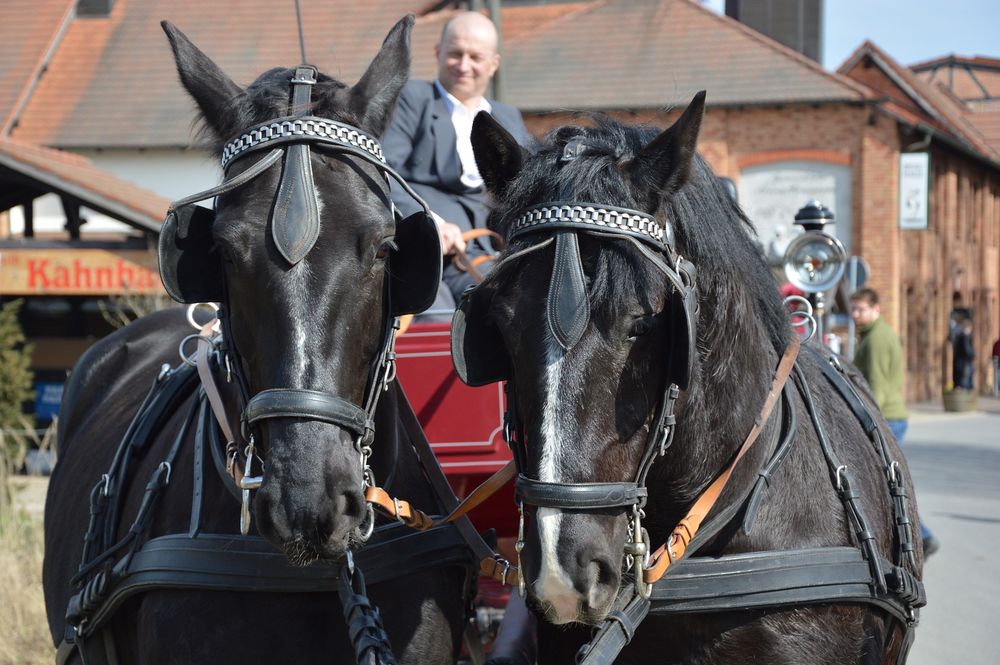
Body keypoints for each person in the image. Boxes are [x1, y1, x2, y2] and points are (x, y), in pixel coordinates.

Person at [382, 11, 530, 313]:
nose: (464, 65)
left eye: (475, 57)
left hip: (493, 253)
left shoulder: (510, 118)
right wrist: (431, 222)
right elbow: (383, 172)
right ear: (438, 53)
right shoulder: (412, 99)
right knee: (436, 317)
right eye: (455, 54)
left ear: (493, 64)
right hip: (423, 253)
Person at [849, 288, 939, 556]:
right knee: (887, 479)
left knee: (883, 480)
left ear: (876, 309)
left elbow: (874, 385)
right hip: (892, 414)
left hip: (887, 416)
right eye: (853, 309)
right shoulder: (877, 335)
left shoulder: (876, 339)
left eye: (861, 309)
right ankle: (919, 536)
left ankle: (920, 536)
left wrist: (869, 421)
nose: (855, 315)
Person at [952, 316, 975, 390]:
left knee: (959, 383)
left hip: (959, 363)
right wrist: (973, 355)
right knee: (964, 384)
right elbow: (967, 350)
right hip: (964, 364)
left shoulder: (958, 336)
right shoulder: (965, 337)